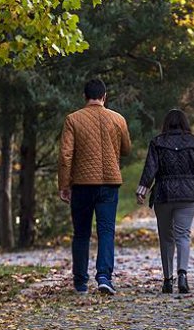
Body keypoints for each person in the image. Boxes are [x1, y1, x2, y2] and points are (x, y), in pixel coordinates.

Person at [58, 79, 132, 295]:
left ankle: (80, 282)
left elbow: (65, 155)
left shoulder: (73, 119)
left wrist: (64, 184)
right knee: (106, 231)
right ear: (104, 96)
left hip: (81, 184)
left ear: (85, 96)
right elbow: (126, 149)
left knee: (81, 233)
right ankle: (104, 277)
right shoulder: (117, 119)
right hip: (109, 182)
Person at [136, 109, 194, 294]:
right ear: (185, 123)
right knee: (183, 235)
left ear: (166, 124)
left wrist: (142, 190)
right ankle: (182, 274)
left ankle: (168, 280)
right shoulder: (193, 141)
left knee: (166, 237)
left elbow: (150, 168)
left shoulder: (158, 142)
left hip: (164, 193)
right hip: (188, 193)